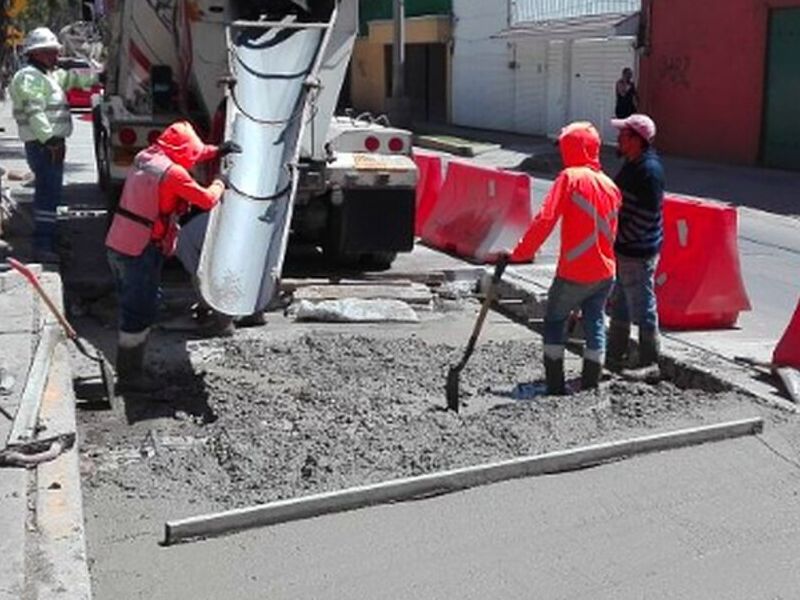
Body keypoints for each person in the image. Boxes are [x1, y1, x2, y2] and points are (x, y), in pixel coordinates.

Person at [105, 120, 240, 393]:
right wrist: (220, 183)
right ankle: (130, 376)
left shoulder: (147, 157)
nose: (193, 159)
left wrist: (217, 150)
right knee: (139, 311)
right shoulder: (173, 174)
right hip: (139, 250)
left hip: (120, 243)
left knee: (139, 304)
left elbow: (188, 152)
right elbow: (205, 200)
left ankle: (131, 367)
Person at [511, 122, 621, 394]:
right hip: (605, 272)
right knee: (595, 320)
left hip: (575, 271)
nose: (561, 153)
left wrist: (520, 253)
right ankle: (590, 381)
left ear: (575, 148)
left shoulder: (569, 178)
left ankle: (555, 383)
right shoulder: (610, 185)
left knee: (555, 319)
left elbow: (545, 219)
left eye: (565, 147)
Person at [9, 27, 98, 263]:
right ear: (36, 53)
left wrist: (99, 75)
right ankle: (43, 245)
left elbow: (71, 79)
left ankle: (50, 240)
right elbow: (34, 111)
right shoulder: (29, 77)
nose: (55, 57)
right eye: (50, 52)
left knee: (52, 193)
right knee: (47, 195)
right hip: (44, 145)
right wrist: (49, 140)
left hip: (50, 144)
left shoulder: (47, 75)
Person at [607, 114, 665, 369]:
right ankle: (615, 355)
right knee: (620, 303)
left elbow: (645, 218)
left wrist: (620, 239)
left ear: (637, 140)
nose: (618, 138)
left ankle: (649, 363)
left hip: (637, 252)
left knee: (642, 306)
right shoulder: (633, 164)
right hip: (625, 249)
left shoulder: (648, 171)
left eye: (624, 134)